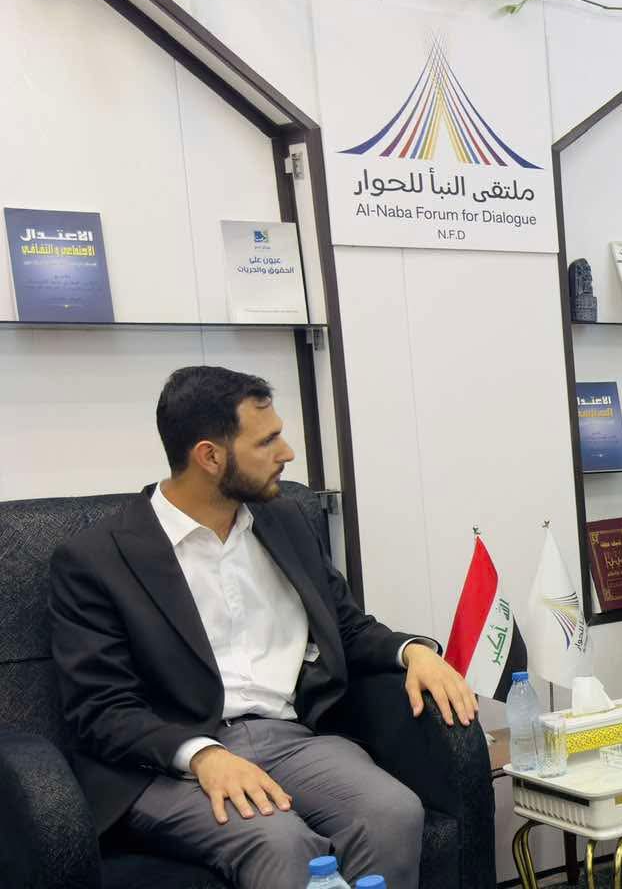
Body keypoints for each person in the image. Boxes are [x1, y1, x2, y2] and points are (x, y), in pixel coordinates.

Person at [47, 366, 478, 889]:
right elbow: (101, 709)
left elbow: (345, 625)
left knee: (392, 812)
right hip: (166, 763)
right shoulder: (96, 559)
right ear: (210, 457)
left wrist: (413, 652)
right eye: (267, 441)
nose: (287, 453)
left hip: (290, 739)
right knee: (281, 841)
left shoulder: (285, 520)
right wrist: (203, 755)